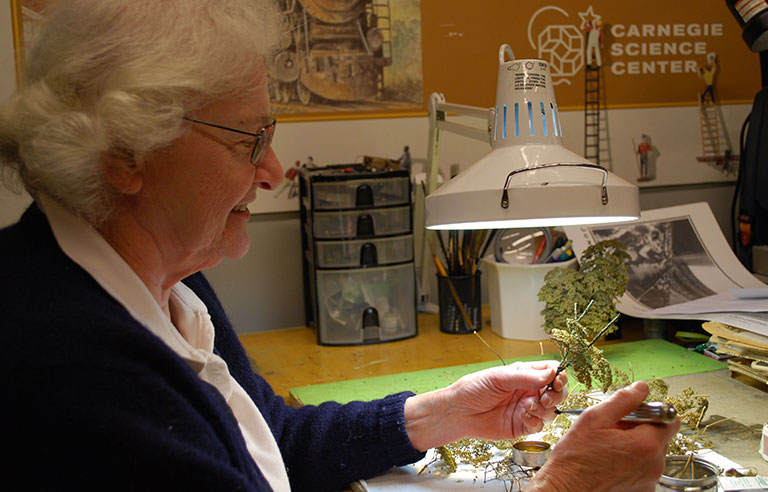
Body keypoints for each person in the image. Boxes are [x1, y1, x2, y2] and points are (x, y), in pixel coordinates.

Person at [0, 1, 678, 491]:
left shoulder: (164, 285)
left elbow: (272, 441)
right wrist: (566, 486)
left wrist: (443, 412)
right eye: (248, 139)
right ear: (126, 154)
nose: (273, 170)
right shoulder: (65, 363)